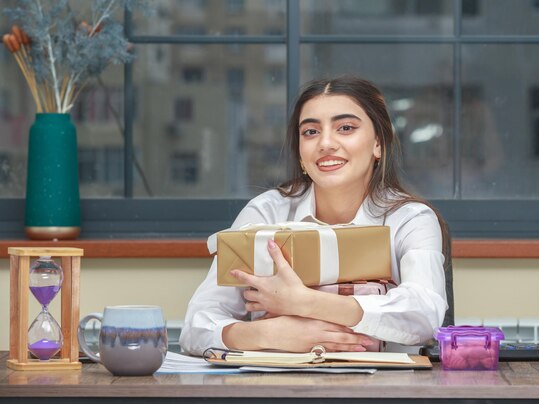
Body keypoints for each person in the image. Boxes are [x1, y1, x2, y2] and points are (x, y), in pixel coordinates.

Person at [180, 76, 449, 356]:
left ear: (378, 144)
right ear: (300, 153)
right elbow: (195, 327)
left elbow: (424, 315)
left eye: (346, 128)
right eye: (310, 132)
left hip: (380, 392)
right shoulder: (267, 212)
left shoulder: (411, 218)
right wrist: (265, 334)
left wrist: (304, 302)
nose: (326, 143)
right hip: (277, 391)